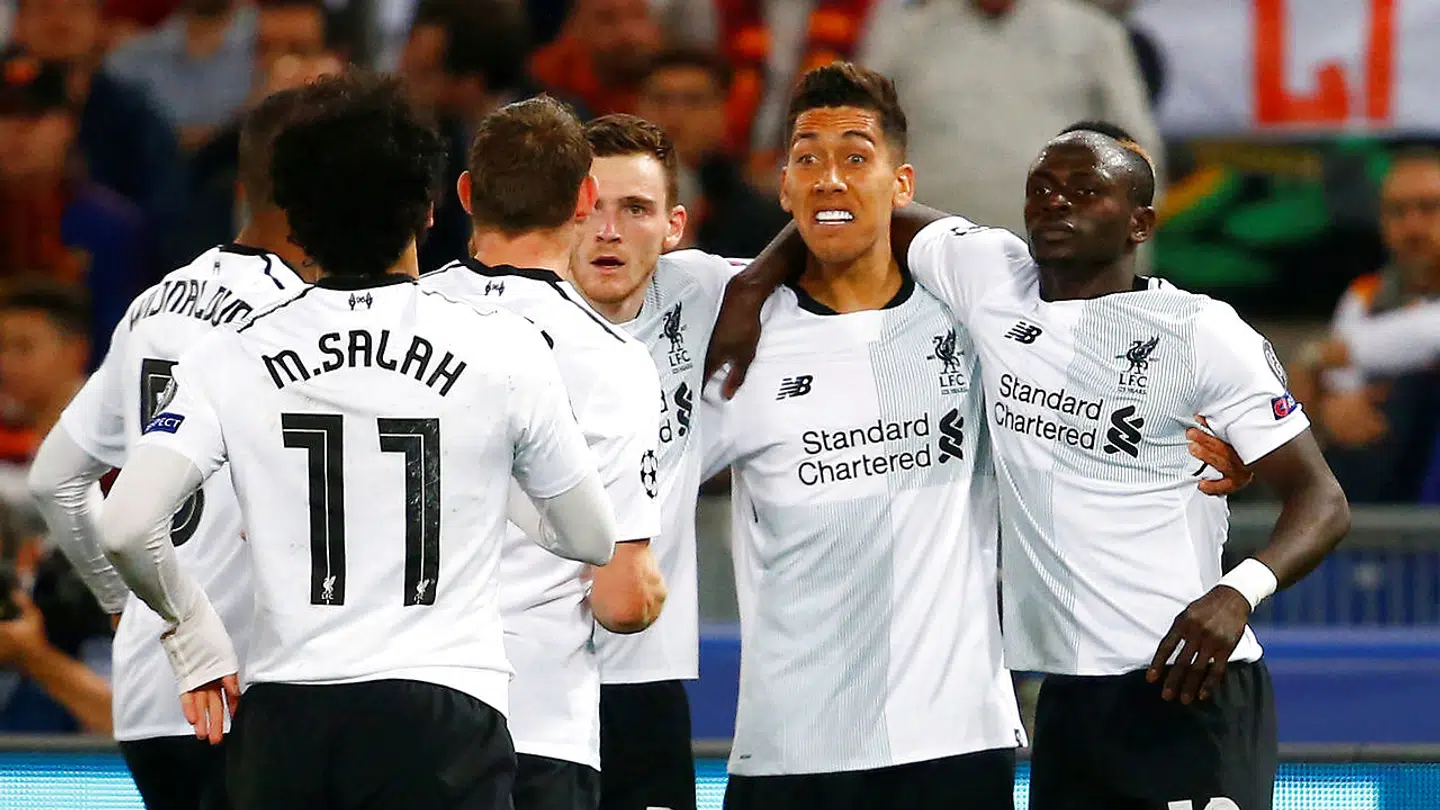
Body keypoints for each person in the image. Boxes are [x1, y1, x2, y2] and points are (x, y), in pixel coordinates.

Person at [708, 93, 1351, 808]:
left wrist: (1237, 593)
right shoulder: (988, 278)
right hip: (1067, 700)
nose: (1056, 203)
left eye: (1085, 191)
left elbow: (1322, 501)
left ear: (1139, 223)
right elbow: (853, 210)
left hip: (1189, 680)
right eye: (1041, 189)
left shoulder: (1202, 334)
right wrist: (753, 285)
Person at [95, 71, 621, 810]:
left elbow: (122, 523)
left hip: (282, 721)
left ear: (296, 218)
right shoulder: (502, 348)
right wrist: (486, 484)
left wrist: (194, 635)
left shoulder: (231, 354)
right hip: (442, 718)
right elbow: (592, 538)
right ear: (431, 209)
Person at [26, 86, 314, 810]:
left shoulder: (155, 302)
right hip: (250, 688)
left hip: (148, 694)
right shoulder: (298, 320)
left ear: (246, 184)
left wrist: (129, 603)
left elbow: (57, 480)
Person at [420, 95, 665, 810]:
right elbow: (621, 598)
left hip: (396, 715)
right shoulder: (612, 360)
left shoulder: (396, 324)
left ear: (466, 194)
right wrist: (652, 590)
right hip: (537, 726)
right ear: (585, 200)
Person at [568, 113, 744, 810]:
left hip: (645, 680)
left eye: (634, 209)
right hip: (519, 683)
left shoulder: (701, 289)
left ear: (674, 225)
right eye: (589, 207)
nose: (608, 230)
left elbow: (823, 252)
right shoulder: (502, 318)